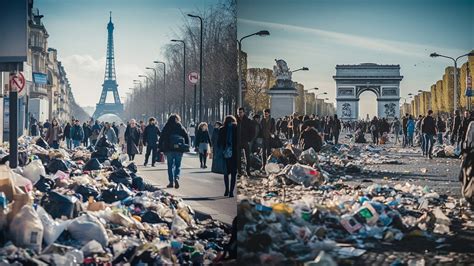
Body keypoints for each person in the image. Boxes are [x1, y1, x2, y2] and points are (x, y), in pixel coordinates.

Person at [158, 114, 190, 189]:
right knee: (178, 165)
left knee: (170, 166)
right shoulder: (180, 126)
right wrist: (187, 146)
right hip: (179, 149)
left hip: (169, 149)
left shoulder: (167, 126)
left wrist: (160, 147)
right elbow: (186, 136)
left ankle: (171, 182)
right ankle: (177, 178)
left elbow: (162, 137)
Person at [217, 115, 238, 197]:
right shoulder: (236, 128)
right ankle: (232, 192)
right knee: (233, 174)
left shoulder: (222, 129)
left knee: (226, 173)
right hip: (235, 154)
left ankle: (226, 190)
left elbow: (219, 142)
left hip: (225, 153)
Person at [237, 107, 254, 176]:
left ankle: (248, 171)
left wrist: (249, 139)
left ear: (244, 112)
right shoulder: (236, 121)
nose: (239, 114)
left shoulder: (248, 121)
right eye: (238, 112)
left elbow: (252, 131)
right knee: (238, 158)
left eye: (240, 112)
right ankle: (239, 171)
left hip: (245, 141)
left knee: (247, 157)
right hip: (237, 141)